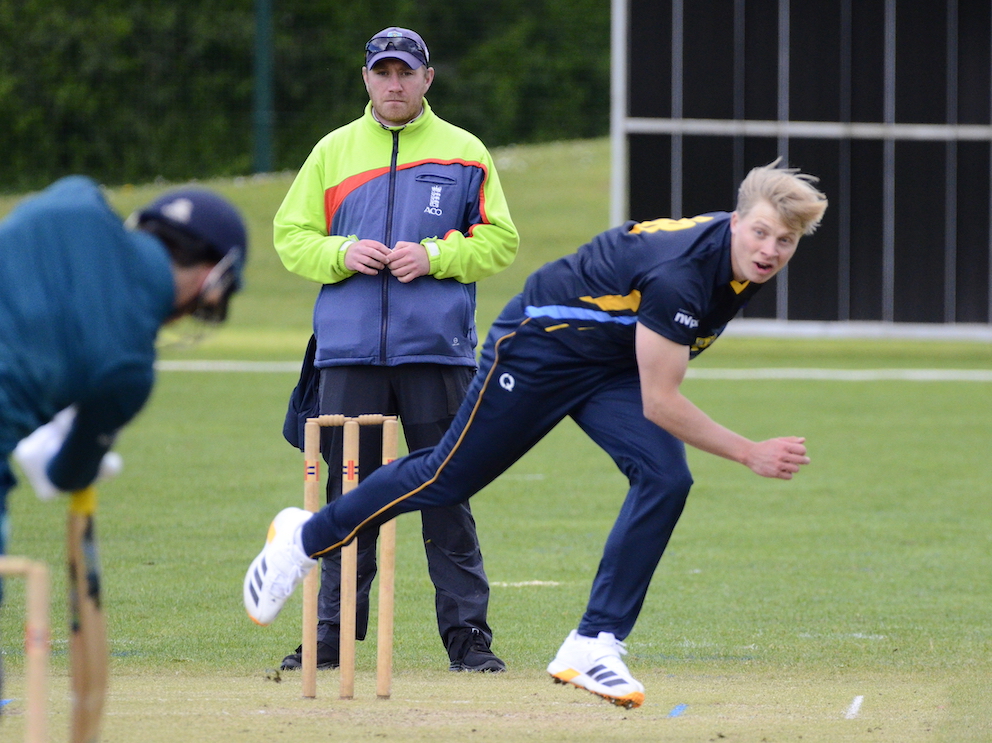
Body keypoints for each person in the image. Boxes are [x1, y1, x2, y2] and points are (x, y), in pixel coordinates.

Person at [246, 160, 827, 708]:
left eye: (785, 241)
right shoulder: (684, 276)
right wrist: (749, 452)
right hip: (539, 345)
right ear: (735, 221)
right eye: (761, 233)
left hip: (606, 361)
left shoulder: (735, 262)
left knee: (666, 476)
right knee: (444, 477)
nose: (770, 250)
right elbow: (662, 402)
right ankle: (300, 540)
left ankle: (593, 644)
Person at [271, 27, 518, 673]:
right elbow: (290, 237)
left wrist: (436, 255)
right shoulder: (332, 151)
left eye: (406, 72)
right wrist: (340, 252)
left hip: (438, 352)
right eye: (383, 72)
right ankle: (328, 638)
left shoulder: (465, 151)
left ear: (427, 78)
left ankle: (469, 642)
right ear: (367, 79)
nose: (395, 84)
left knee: (447, 494)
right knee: (348, 498)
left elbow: (500, 241)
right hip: (349, 353)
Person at [0, 175, 248, 702]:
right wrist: (85, 450)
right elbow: (66, 475)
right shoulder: (130, 368)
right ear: (211, 280)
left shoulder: (77, 197)